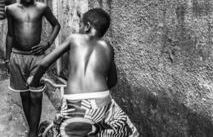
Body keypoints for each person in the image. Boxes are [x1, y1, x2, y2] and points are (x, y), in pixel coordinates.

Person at [28, 8, 139, 137]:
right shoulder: (108, 47)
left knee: (65, 130)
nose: (79, 28)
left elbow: (44, 63)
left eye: (80, 25)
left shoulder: (74, 38)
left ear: (87, 26)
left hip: (74, 105)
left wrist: (34, 82)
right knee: (125, 131)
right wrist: (94, 96)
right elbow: (113, 81)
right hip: (101, 102)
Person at [5, 0, 61, 137]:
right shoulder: (11, 9)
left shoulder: (42, 8)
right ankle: (32, 128)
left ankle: (34, 132)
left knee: (36, 96)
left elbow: (56, 26)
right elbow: (10, 35)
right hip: (17, 56)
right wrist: (7, 58)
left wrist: (47, 43)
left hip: (37, 58)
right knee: (25, 95)